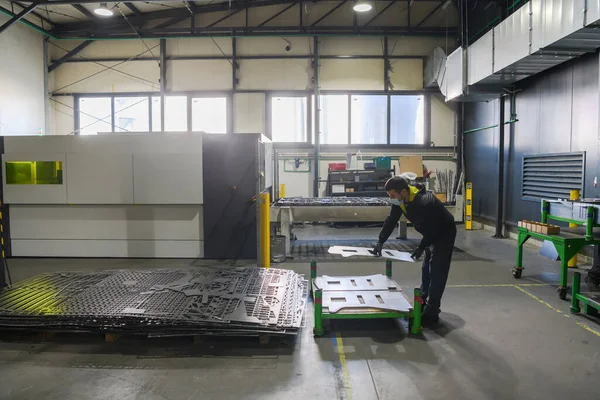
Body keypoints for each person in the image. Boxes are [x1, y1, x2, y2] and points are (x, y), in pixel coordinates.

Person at [371, 176, 456, 326]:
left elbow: (433, 229)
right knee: (426, 268)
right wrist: (380, 242)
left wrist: (421, 247)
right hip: (430, 232)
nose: (391, 199)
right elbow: (391, 220)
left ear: (403, 192)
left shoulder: (425, 202)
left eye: (392, 195)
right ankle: (422, 302)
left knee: (437, 269)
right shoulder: (401, 201)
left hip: (444, 233)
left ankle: (432, 312)